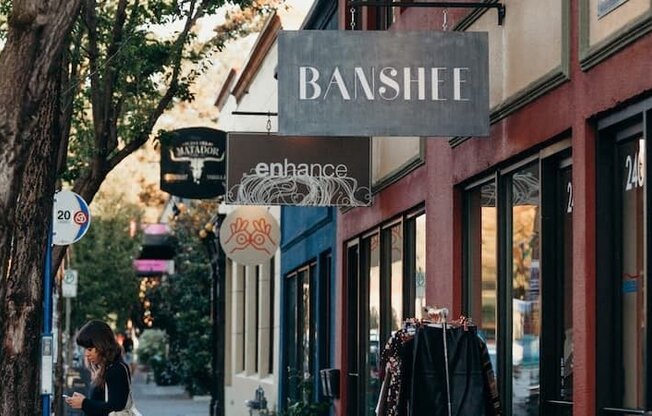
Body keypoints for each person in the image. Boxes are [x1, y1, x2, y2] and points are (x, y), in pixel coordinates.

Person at [65, 320, 133, 415]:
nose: (87, 354)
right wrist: (83, 401)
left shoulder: (116, 369)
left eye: (90, 349)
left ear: (101, 345)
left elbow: (115, 408)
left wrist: (84, 403)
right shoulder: (108, 368)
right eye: (86, 350)